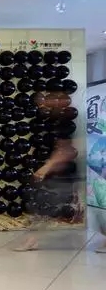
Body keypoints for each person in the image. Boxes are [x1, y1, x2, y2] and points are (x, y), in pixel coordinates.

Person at [13, 90, 92, 251]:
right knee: (46, 207)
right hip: (60, 173)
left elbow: (65, 150)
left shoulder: (64, 121)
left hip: (63, 173)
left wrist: (47, 167)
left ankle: (32, 240)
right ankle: (32, 239)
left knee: (46, 207)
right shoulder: (57, 120)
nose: (42, 105)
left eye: (45, 102)